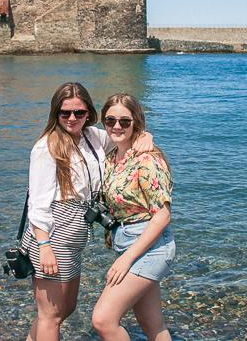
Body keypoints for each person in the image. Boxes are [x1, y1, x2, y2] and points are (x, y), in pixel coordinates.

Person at [21, 83, 153, 341]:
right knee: (52, 315)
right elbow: (37, 204)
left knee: (63, 309)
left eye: (79, 113)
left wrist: (145, 136)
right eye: (65, 113)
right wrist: (44, 245)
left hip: (76, 232)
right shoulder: (46, 148)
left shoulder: (93, 137)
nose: (72, 118)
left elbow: (123, 136)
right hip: (52, 233)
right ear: (55, 114)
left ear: (89, 114)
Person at [92, 93, 175, 341]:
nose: (117, 126)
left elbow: (163, 216)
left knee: (103, 319)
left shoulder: (147, 159)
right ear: (104, 123)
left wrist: (126, 259)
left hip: (150, 246)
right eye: (110, 120)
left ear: (136, 122)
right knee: (153, 325)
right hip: (126, 241)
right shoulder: (110, 156)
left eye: (125, 121)